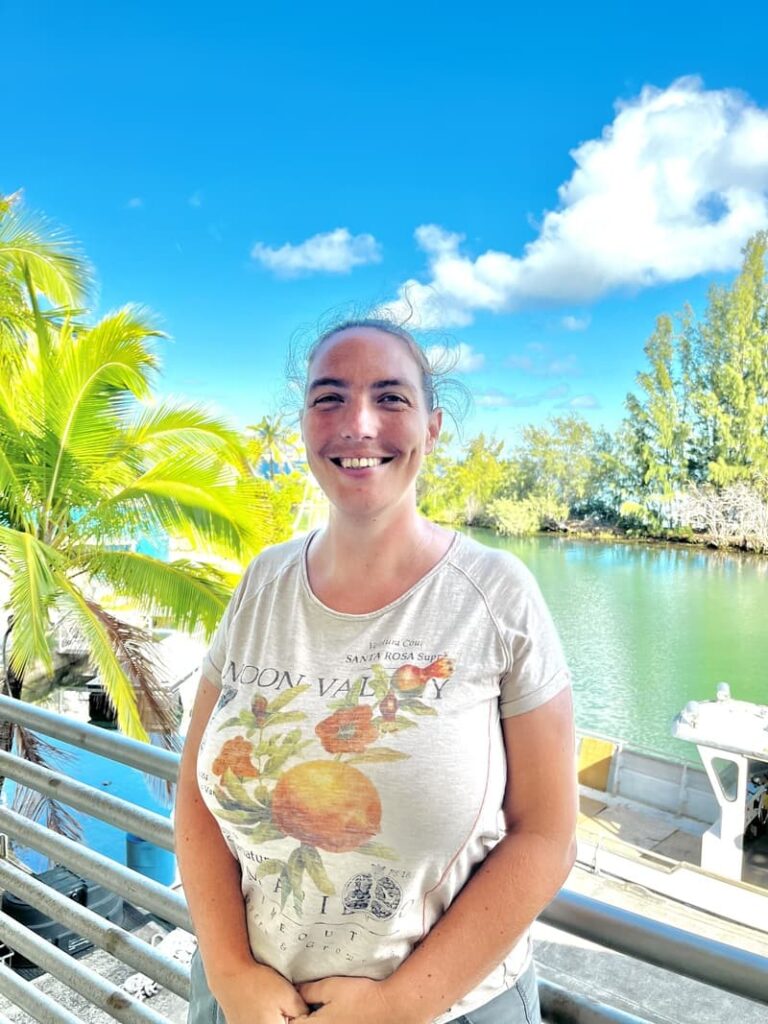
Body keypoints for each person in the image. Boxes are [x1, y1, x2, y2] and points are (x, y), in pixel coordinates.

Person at [175, 318, 577, 1024]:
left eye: (390, 398)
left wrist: (398, 1006)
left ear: (433, 425)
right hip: (244, 1004)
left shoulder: (497, 595)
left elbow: (545, 835)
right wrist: (230, 971)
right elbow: (196, 796)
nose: (358, 425)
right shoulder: (262, 585)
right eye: (329, 398)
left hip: (447, 1011)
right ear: (302, 423)